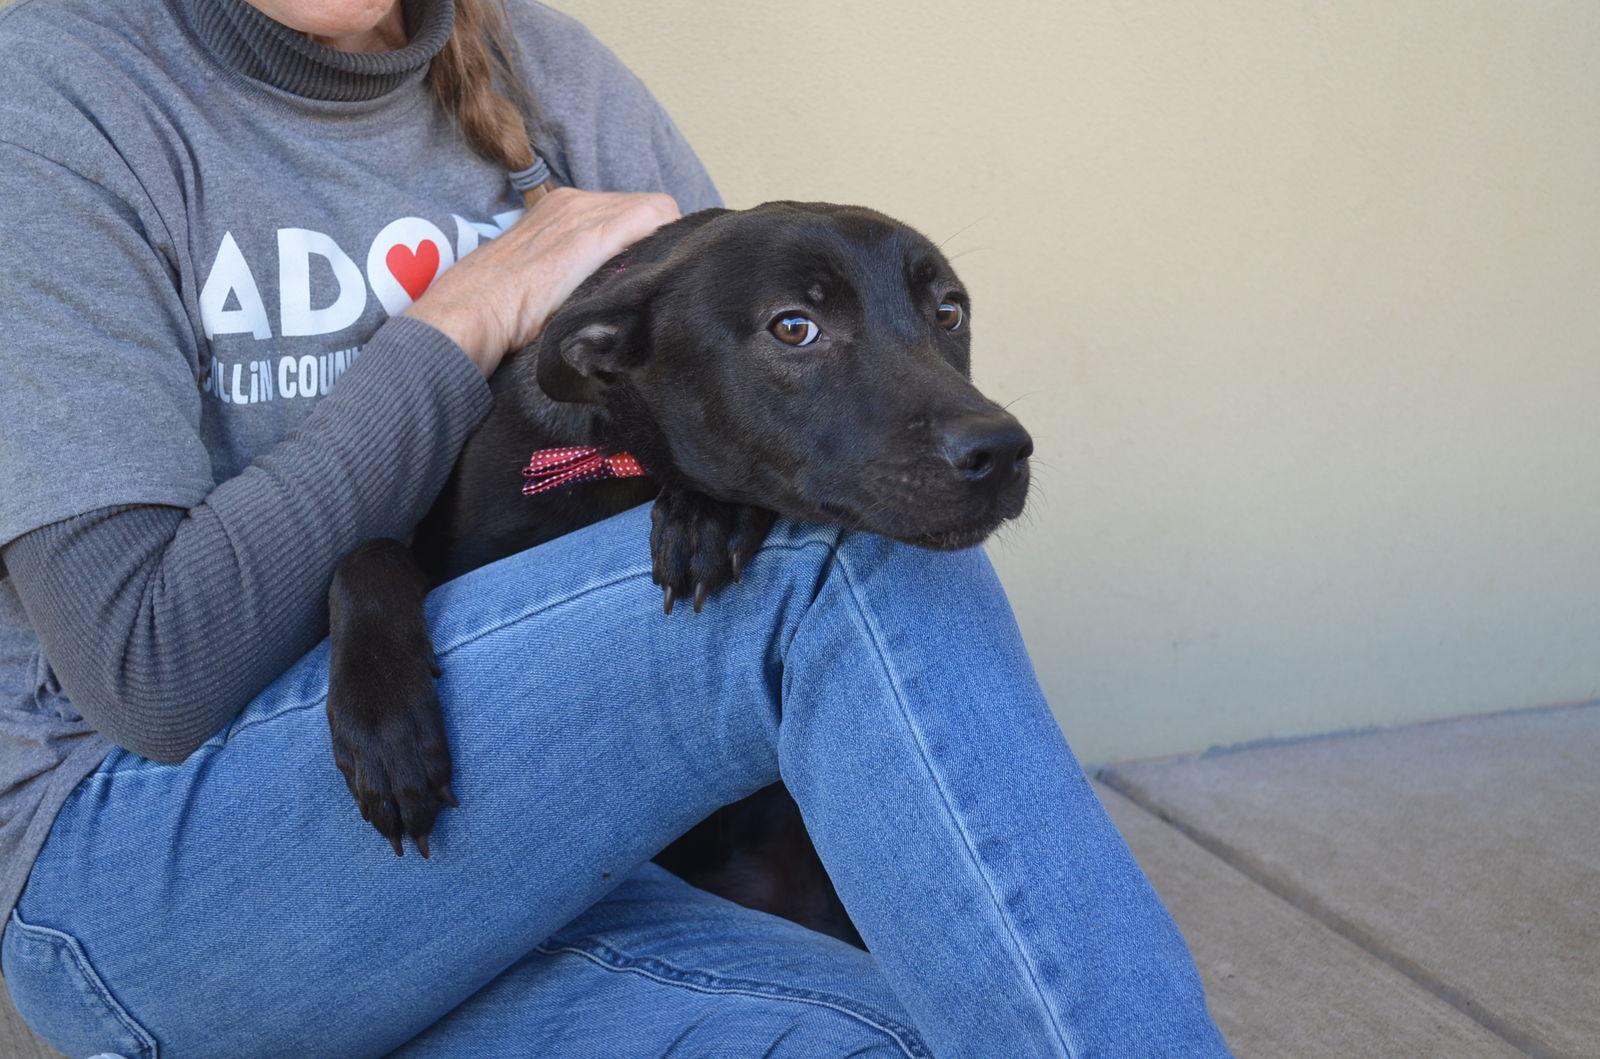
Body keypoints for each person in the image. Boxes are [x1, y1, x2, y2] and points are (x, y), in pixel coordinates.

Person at [0, 0, 1228, 1055]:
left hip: (537, 851)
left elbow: (749, 411)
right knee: (837, 576)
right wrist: (460, 318)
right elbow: (149, 675)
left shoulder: (548, 72)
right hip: (149, 873)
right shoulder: (56, 92)